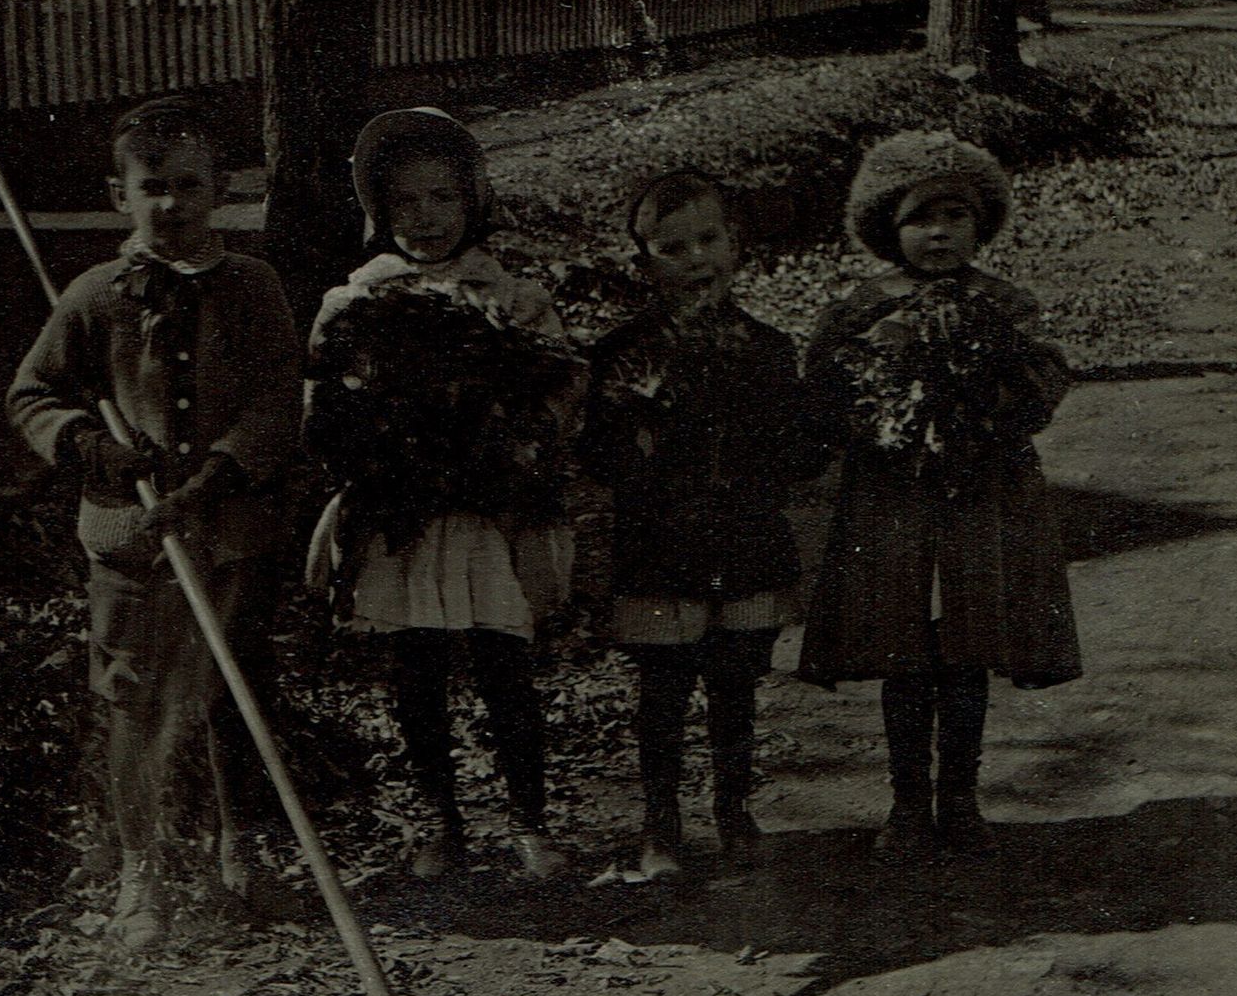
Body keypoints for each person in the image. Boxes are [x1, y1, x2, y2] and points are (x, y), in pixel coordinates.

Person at [6, 98, 301, 950]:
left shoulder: (252, 287)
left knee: (234, 694)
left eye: (188, 185)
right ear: (119, 195)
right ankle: (142, 872)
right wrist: (88, 445)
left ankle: (239, 851)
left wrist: (219, 473)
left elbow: (278, 397)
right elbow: (31, 393)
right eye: (151, 186)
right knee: (132, 698)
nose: (170, 203)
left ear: (221, 190)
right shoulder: (94, 296)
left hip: (229, 533)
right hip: (131, 541)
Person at [304, 108, 583, 882]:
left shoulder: (510, 297)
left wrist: (507, 440)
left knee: (503, 661)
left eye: (441, 198)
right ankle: (440, 819)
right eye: (404, 202)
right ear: (378, 209)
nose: (424, 217)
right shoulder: (356, 302)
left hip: (489, 514)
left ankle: (528, 818)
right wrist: (376, 440)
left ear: (472, 200)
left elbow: (558, 394)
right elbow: (326, 406)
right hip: (406, 516)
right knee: (416, 666)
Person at [800, 131, 1082, 859]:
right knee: (905, 648)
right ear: (887, 229)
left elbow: (1046, 378)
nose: (938, 233)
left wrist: (995, 394)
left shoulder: (1003, 304)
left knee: (965, 645)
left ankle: (959, 798)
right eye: (919, 219)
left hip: (982, 493)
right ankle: (905, 803)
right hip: (894, 498)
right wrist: (872, 401)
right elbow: (825, 384)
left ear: (980, 225)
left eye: (955, 217)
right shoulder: (863, 307)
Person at [581, 171, 823, 881]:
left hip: (744, 541)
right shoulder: (620, 353)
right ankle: (661, 823)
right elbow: (596, 453)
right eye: (672, 248)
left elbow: (795, 453)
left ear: (735, 246)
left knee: (735, 681)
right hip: (660, 546)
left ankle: (733, 809)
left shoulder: (768, 348)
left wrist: (812, 428)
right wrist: (638, 431)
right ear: (643, 263)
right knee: (662, 687)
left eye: (708, 240)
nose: (695, 260)